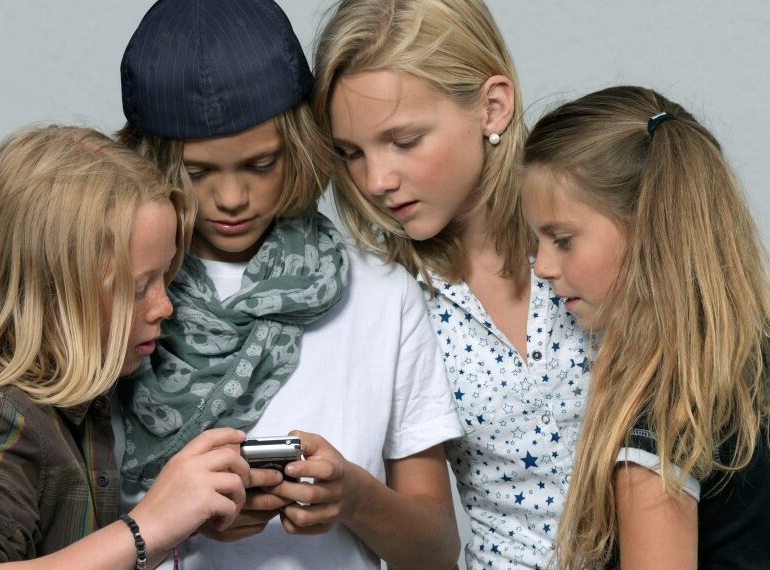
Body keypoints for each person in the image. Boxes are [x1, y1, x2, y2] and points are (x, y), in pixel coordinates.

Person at [115, 1, 464, 568]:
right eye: (197, 172)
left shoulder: (382, 295)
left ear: (300, 145)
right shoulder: (115, 301)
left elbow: (438, 551)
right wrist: (178, 521)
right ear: (150, 159)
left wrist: (354, 497)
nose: (231, 199)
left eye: (260, 164)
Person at [0, 126, 253, 570]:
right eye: (138, 287)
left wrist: (183, 520)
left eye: (167, 278)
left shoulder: (74, 412)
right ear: (54, 293)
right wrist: (148, 526)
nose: (165, 307)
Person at [311, 0, 593, 567]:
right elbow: (428, 543)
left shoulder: (598, 232)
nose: (376, 180)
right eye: (351, 153)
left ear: (492, 107)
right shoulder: (390, 299)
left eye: (404, 140)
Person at [521, 85, 770, 570]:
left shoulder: (661, 413)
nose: (543, 266)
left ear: (647, 229)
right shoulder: (751, 365)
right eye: (537, 241)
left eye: (562, 239)